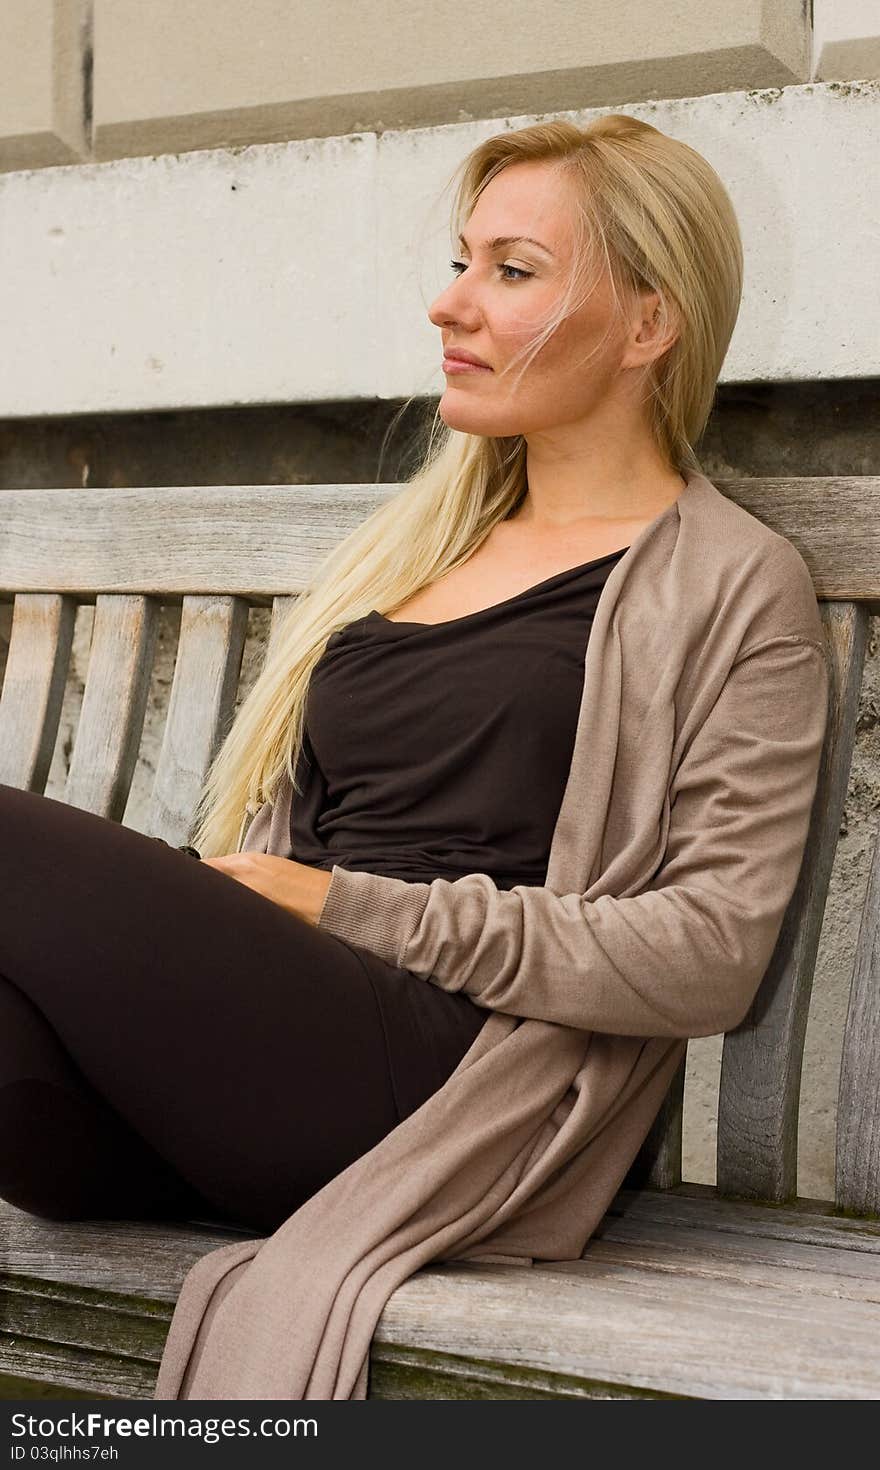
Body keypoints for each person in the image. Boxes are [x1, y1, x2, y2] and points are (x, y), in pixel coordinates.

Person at [0, 115, 828, 1400]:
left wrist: (342, 907)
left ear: (649, 322)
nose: (449, 304)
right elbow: (289, 858)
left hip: (446, 1088)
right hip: (260, 1064)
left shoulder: (732, 586)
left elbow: (709, 953)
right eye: (460, 261)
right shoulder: (409, 556)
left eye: (510, 270)